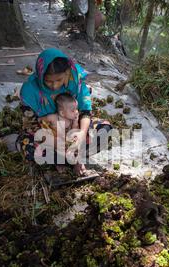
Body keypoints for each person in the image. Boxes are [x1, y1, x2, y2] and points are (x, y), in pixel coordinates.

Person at [16, 48, 111, 176]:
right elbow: (31, 126)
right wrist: (58, 144)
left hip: (73, 130)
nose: (54, 86)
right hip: (48, 134)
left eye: (59, 80)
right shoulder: (29, 91)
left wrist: (82, 134)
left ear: (66, 73)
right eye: (48, 81)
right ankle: (69, 158)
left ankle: (69, 157)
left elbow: (85, 112)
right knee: (26, 145)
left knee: (105, 129)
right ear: (40, 75)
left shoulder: (74, 81)